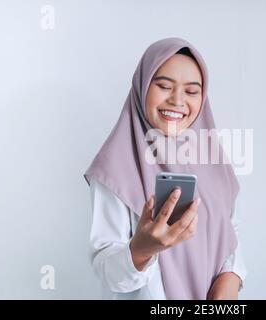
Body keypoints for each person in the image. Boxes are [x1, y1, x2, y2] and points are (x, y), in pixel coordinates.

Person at [84, 37, 246, 300]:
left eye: (192, 91)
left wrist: (231, 278)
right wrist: (141, 249)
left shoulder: (212, 160)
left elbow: (230, 233)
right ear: (142, 86)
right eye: (163, 86)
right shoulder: (113, 169)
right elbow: (106, 270)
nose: (177, 100)